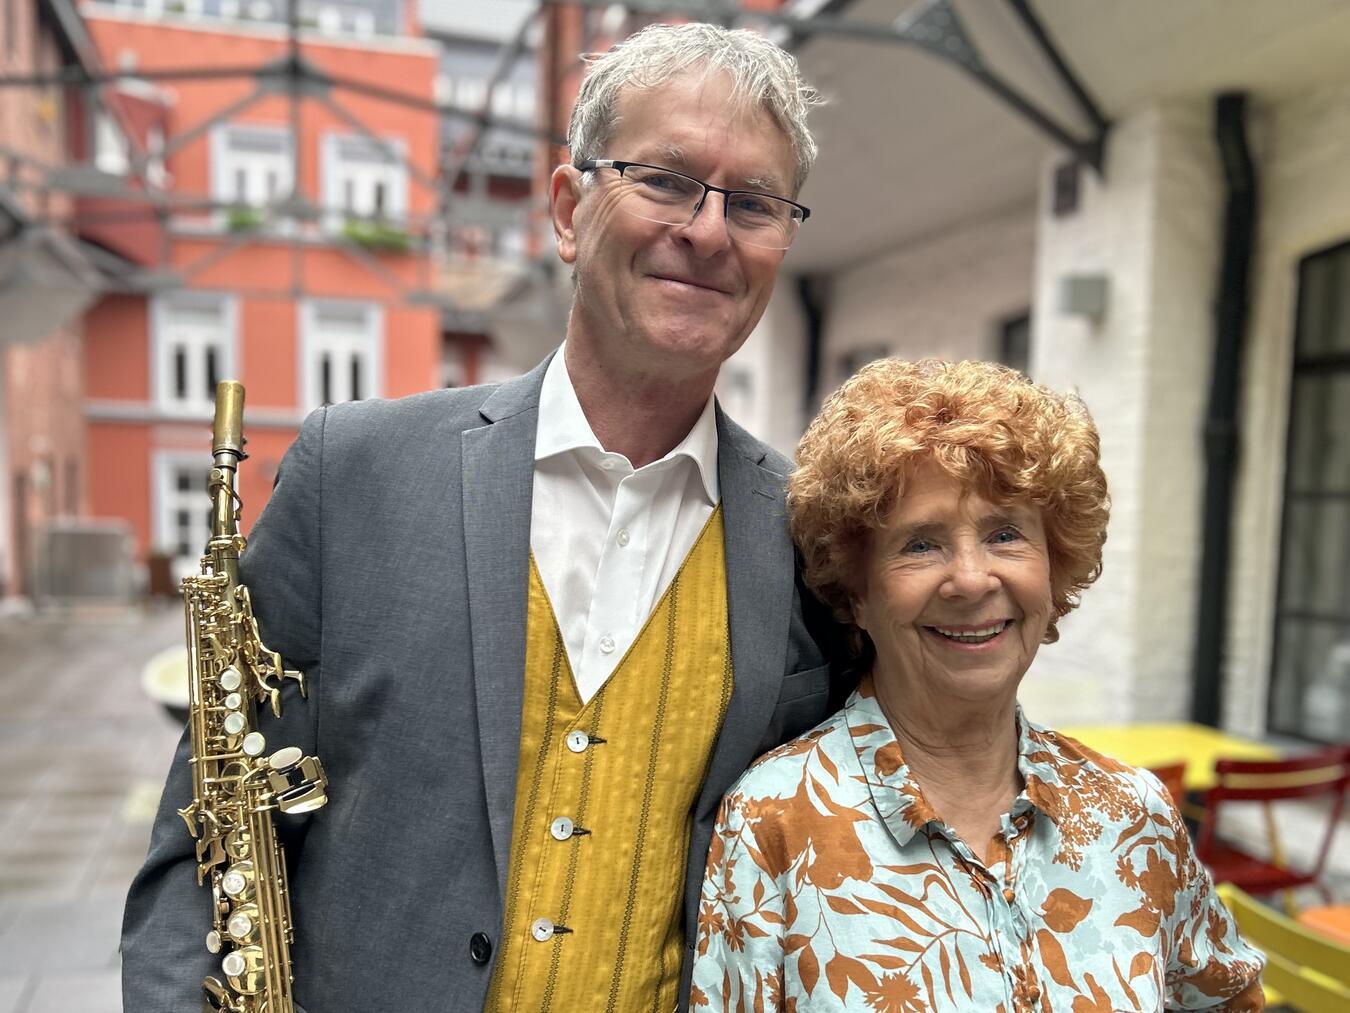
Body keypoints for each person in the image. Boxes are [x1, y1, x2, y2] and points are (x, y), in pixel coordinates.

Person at [122, 22, 840, 1013]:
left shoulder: (813, 532)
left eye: (753, 202)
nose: (709, 231)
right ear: (566, 207)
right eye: (666, 179)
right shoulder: (352, 472)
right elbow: (208, 840)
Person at [692, 359, 1265, 1011]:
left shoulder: (1134, 814)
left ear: (1055, 565)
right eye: (920, 545)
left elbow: (1227, 997)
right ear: (853, 590)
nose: (971, 579)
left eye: (1004, 534)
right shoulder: (774, 821)